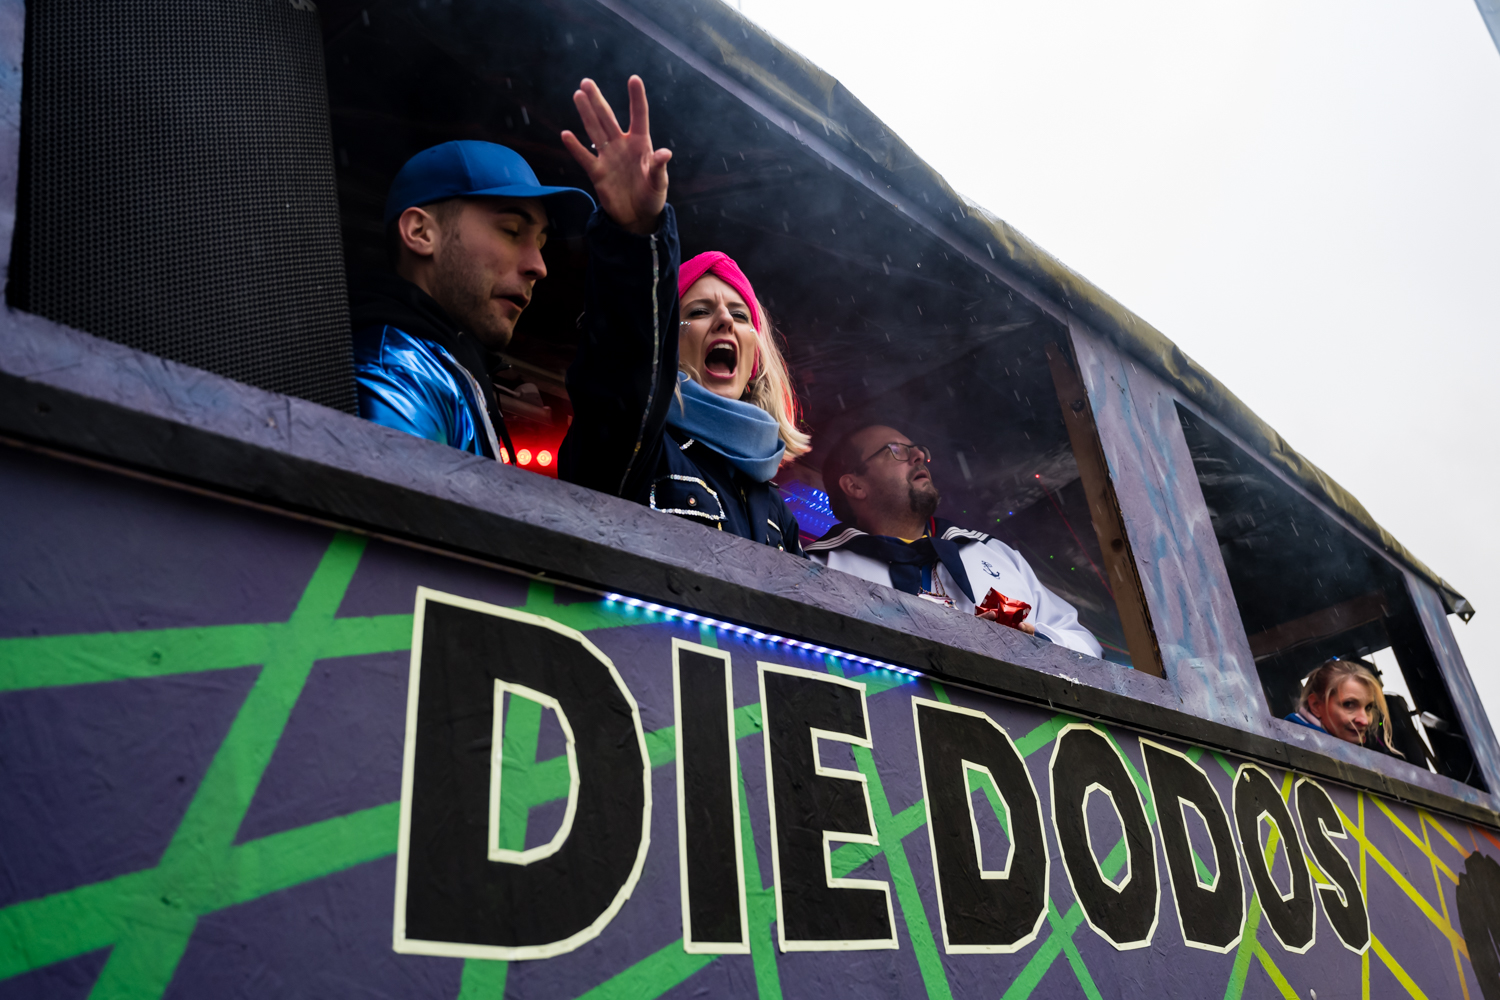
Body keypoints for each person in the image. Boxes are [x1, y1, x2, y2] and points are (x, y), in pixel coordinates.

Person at [558, 80, 810, 552]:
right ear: (669, 343)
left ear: (754, 361)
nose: (725, 322)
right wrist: (634, 236)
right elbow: (622, 369)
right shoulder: (640, 448)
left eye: (740, 315)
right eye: (699, 311)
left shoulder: (777, 511)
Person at [351, 139, 595, 460]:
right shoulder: (396, 374)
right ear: (421, 232)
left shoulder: (443, 369)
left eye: (540, 243)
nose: (540, 267)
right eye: (511, 230)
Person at [808, 425, 1101, 656]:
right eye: (895, 450)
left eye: (918, 450)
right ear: (855, 485)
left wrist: (1036, 641)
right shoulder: (818, 569)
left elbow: (1086, 646)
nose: (918, 456)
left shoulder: (994, 554)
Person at [1286, 658, 1403, 757]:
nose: (1364, 721)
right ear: (1316, 706)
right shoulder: (1295, 748)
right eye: (1349, 704)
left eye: (1368, 708)